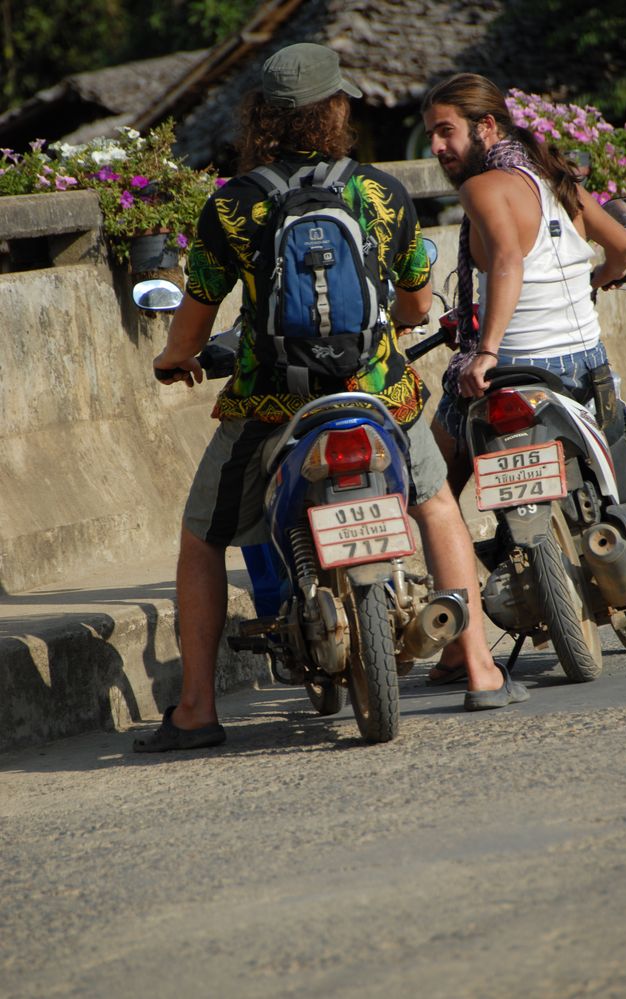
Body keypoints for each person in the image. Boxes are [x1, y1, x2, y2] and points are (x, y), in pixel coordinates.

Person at [133, 46, 527, 752]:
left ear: (261, 116)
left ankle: (195, 707)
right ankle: (474, 664)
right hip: (378, 395)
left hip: (270, 405)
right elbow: (412, 305)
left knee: (201, 538)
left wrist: (174, 358)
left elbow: (191, 324)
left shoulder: (233, 204)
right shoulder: (379, 193)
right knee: (436, 505)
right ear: (336, 110)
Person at [421, 73, 626, 685]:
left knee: (433, 492)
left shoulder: (484, 186)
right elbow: (620, 246)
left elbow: (509, 261)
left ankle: (464, 641)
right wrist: (597, 284)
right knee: (617, 466)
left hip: (515, 367)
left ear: (487, 128)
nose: (438, 146)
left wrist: (485, 351)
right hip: (585, 365)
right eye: (432, 133)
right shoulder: (557, 182)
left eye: (447, 131)